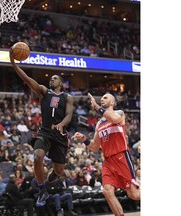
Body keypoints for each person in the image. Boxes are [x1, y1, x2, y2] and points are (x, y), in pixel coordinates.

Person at [9, 49, 74, 207]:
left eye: (55, 78)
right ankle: (42, 190)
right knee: (38, 156)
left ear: (61, 83)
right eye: (51, 78)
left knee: (59, 171)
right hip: (45, 132)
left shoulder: (67, 97)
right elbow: (28, 79)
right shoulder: (44, 92)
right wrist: (13, 63)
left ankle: (52, 176)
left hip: (60, 134)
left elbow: (69, 115)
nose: (52, 80)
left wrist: (61, 124)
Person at [73, 92, 140, 216]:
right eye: (101, 97)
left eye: (105, 98)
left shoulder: (119, 113)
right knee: (107, 191)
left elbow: (114, 119)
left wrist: (97, 107)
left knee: (134, 194)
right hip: (108, 161)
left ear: (112, 102)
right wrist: (83, 138)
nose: (102, 99)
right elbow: (94, 146)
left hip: (121, 157)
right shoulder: (99, 124)